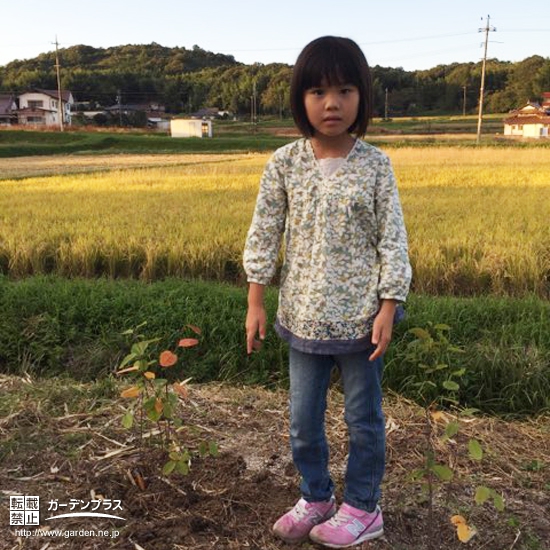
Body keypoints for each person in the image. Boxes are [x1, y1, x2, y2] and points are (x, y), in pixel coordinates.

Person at [243, 36, 411, 549]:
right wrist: (255, 299)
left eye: (344, 89)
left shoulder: (376, 165)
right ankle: (315, 496)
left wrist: (389, 305)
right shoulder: (284, 163)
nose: (331, 103)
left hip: (362, 321)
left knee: (363, 420)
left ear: (362, 96)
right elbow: (265, 232)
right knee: (302, 420)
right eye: (317, 91)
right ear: (301, 99)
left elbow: (392, 239)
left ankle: (363, 506)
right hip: (302, 317)